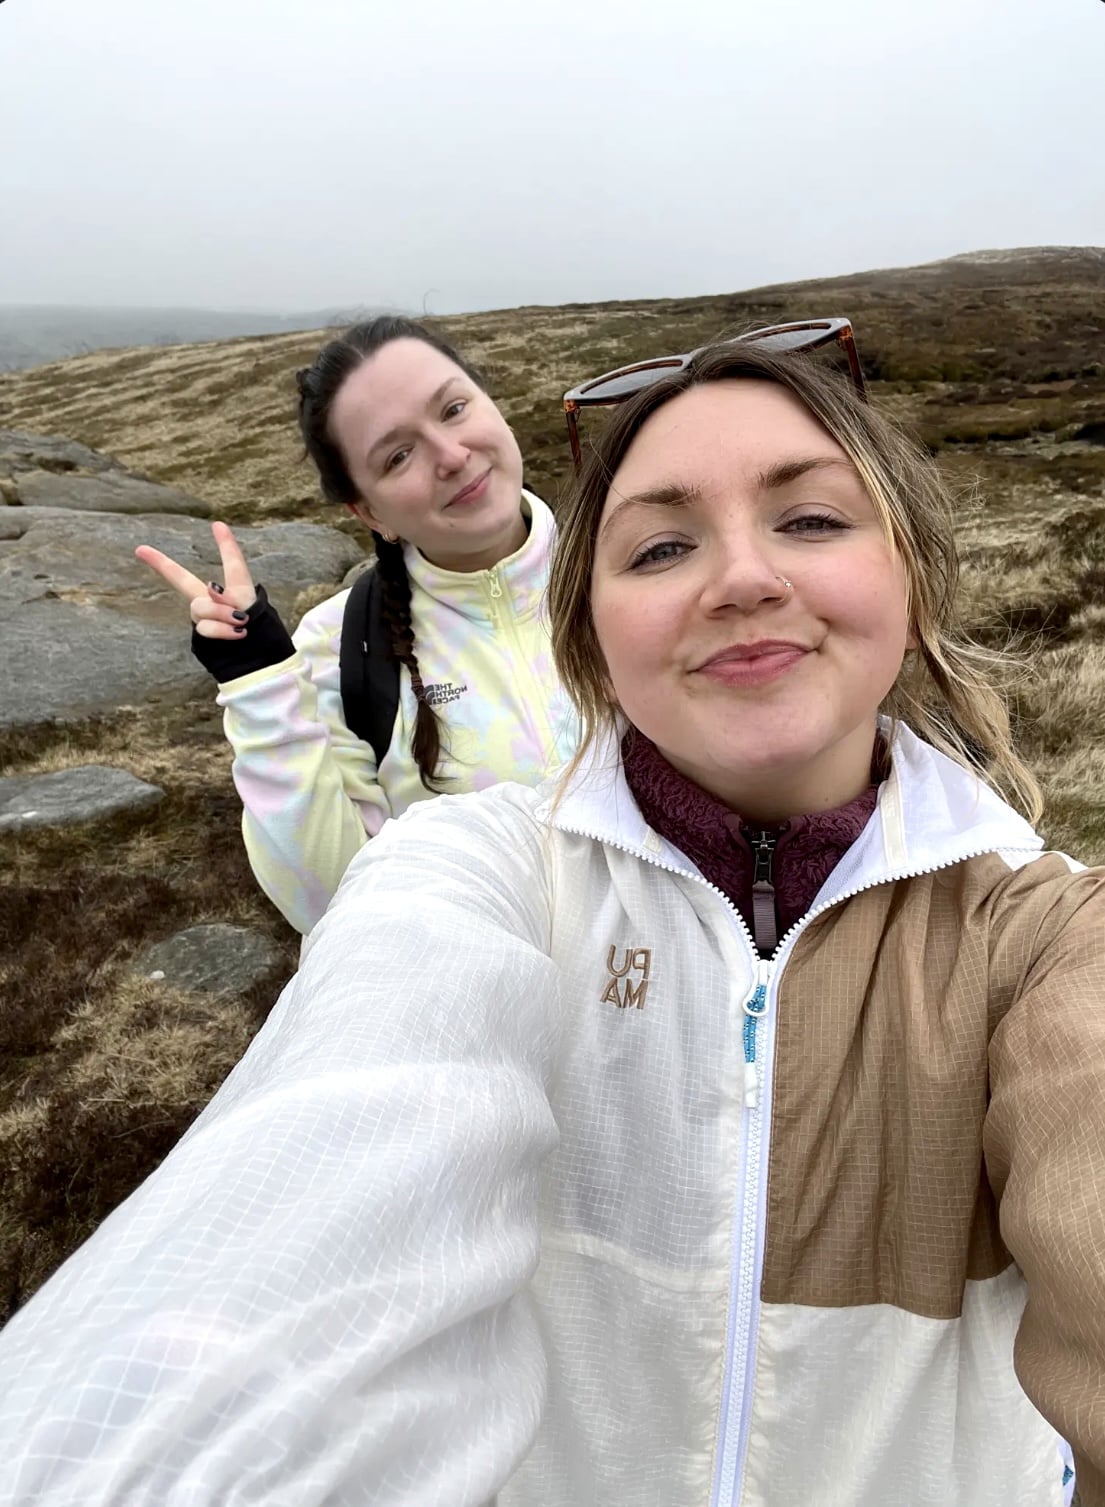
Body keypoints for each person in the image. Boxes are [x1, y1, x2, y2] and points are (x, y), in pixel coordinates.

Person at [2, 338, 1102, 1507]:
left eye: (812, 521)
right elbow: (354, 959)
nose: (738, 580)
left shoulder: (1037, 938)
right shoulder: (401, 737)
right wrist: (264, 686)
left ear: (912, 573)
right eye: (662, 548)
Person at [135, 316, 578, 934]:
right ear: (369, 511)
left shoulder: (635, 571)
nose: (451, 456)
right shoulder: (338, 649)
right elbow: (331, 904)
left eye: (453, 409)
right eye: (399, 455)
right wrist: (260, 686)